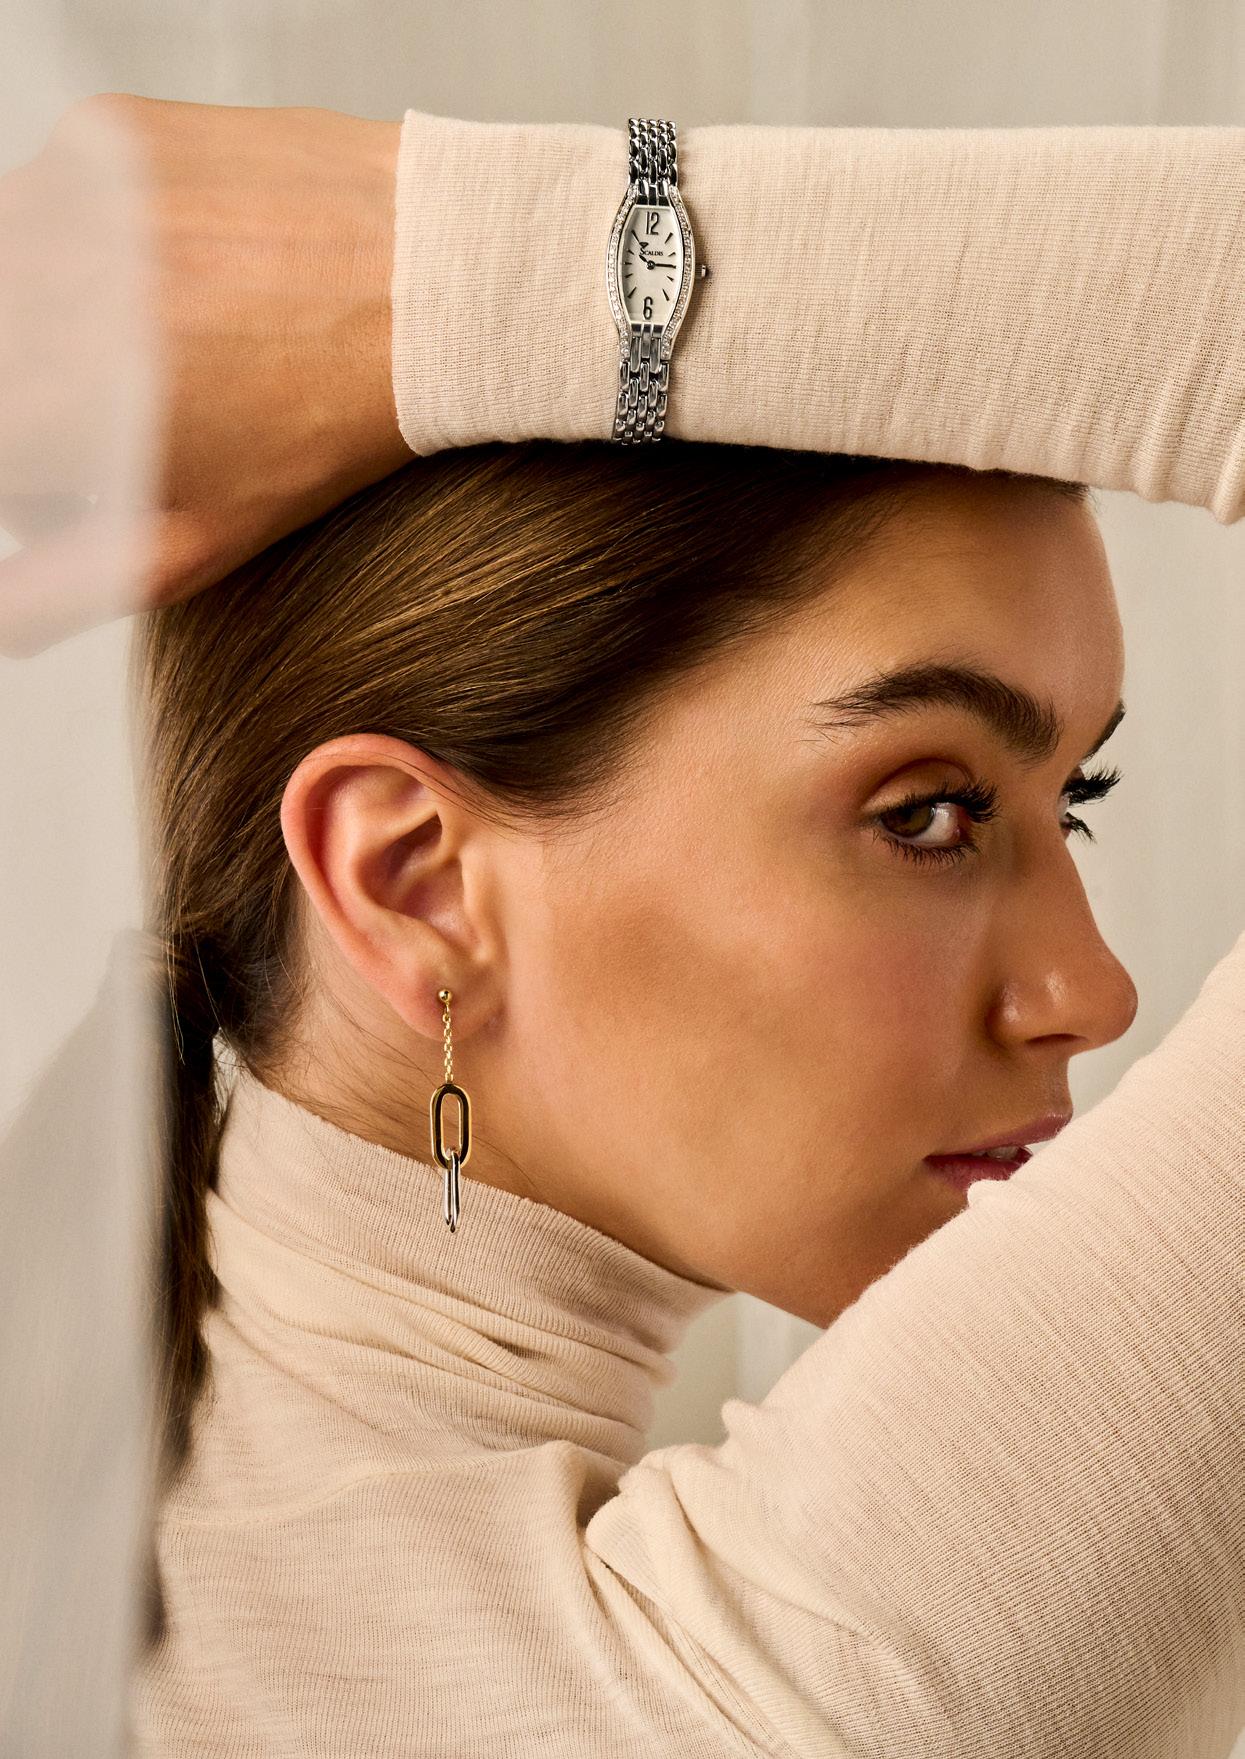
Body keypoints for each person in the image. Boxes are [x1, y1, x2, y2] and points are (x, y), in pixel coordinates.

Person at [3, 99, 1242, 1754]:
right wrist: (457, 266)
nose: (1088, 988)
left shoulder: (153, 1564)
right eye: (926, 814)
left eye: (1065, 804)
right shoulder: (772, 1690)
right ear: (414, 882)